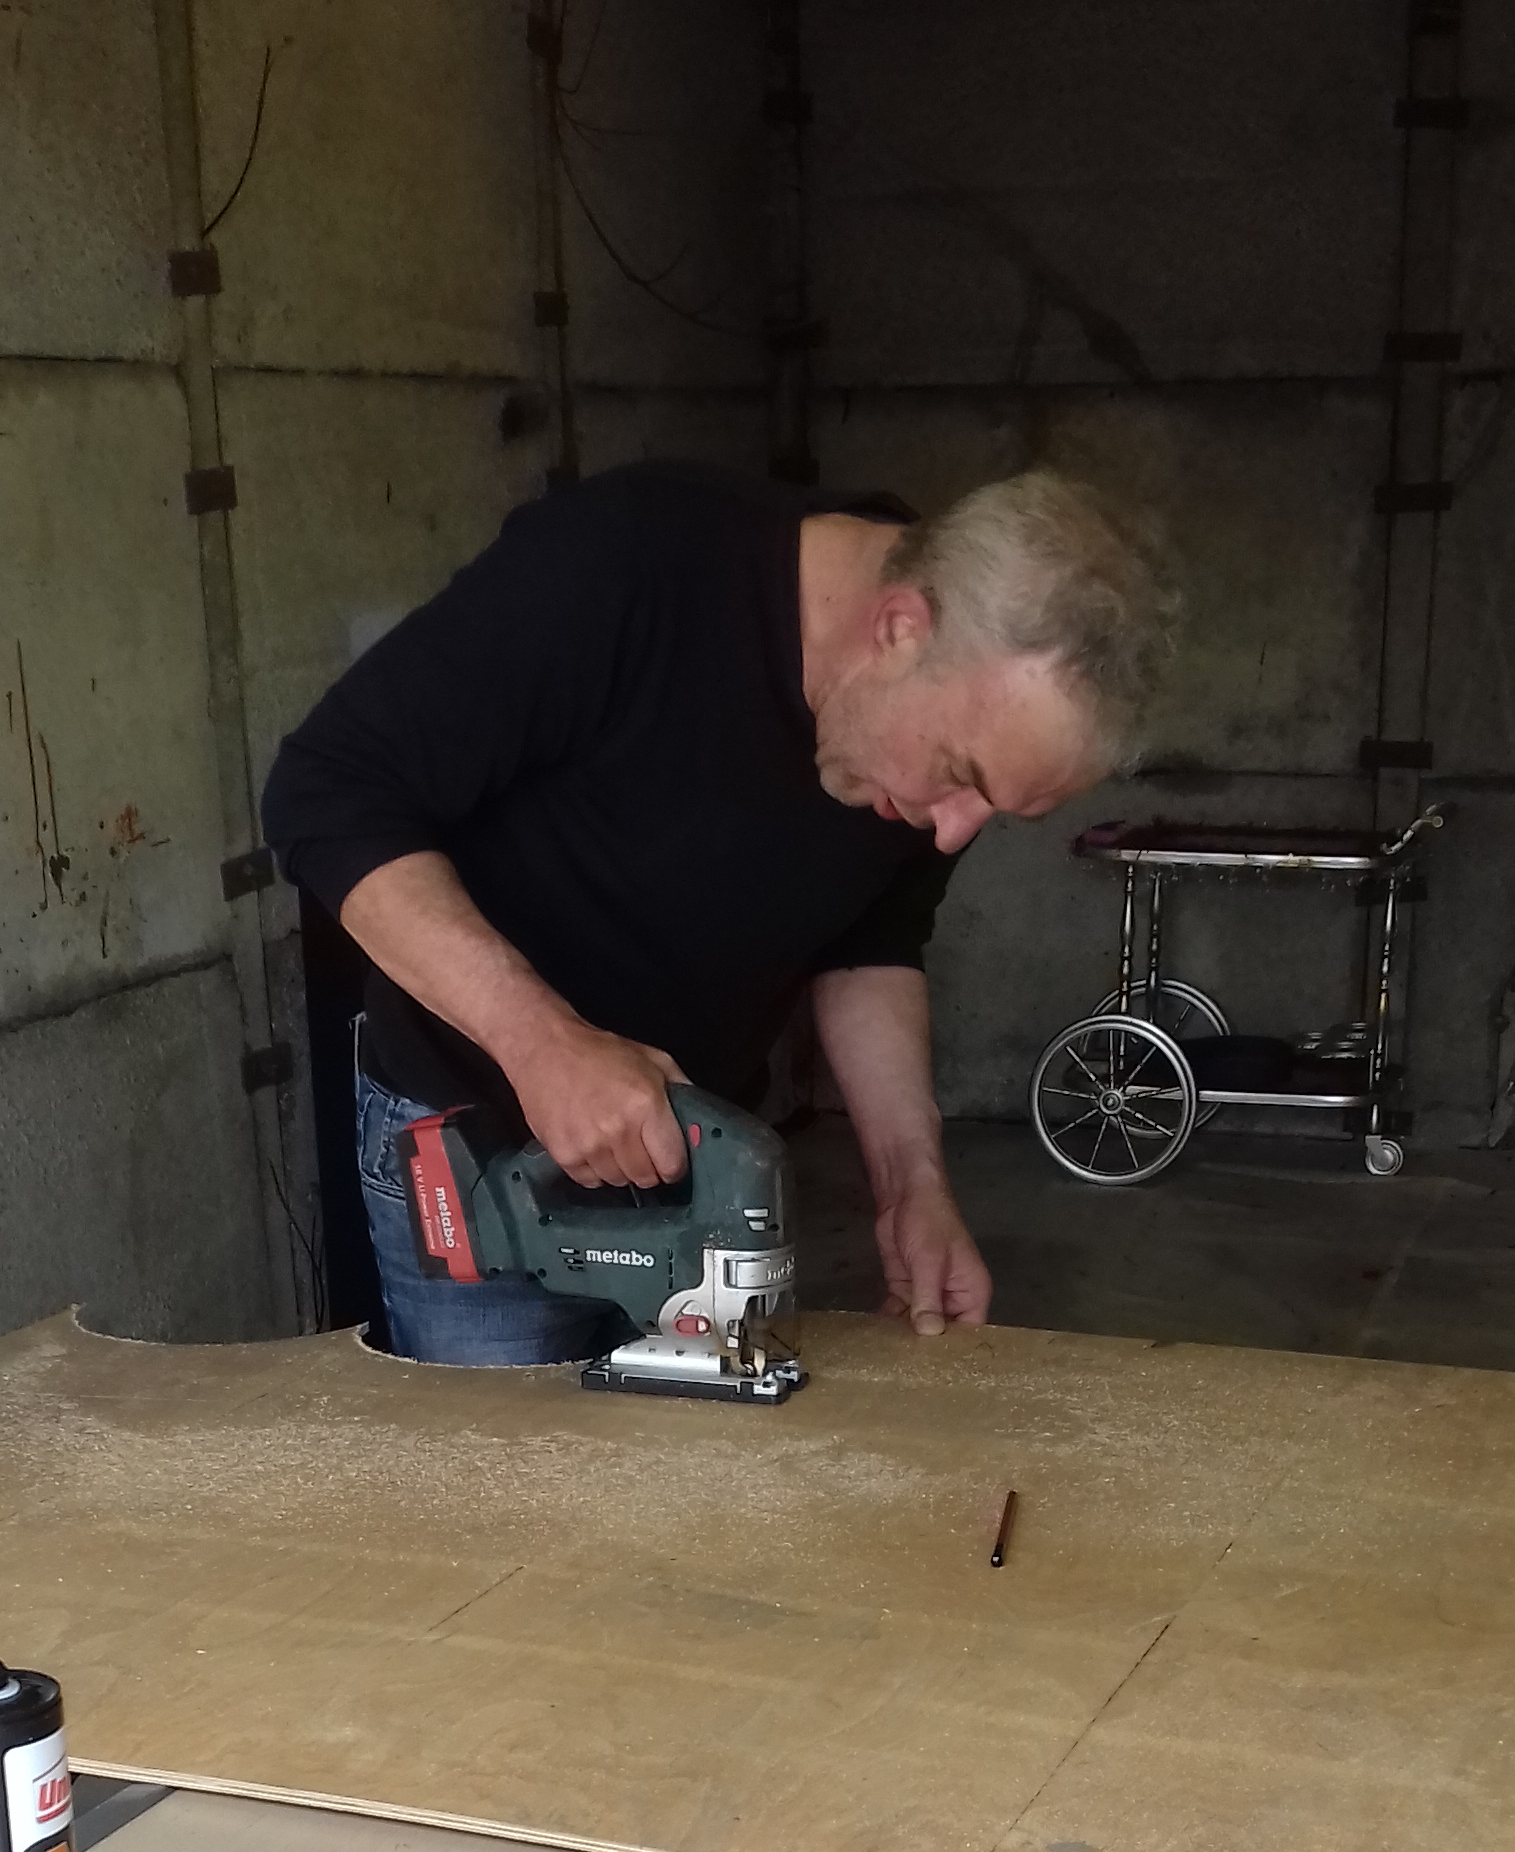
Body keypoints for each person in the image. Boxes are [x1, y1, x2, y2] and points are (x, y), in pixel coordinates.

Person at [263, 461, 1165, 1365]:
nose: (955, 830)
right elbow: (326, 793)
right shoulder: (624, 564)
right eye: (963, 777)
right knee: (508, 1459)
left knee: (700, 1453)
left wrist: (911, 1185)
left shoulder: (933, 733)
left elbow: (870, 936)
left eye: (997, 811)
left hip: (694, 1164)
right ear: (898, 628)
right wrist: (541, 1045)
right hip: (485, 1158)